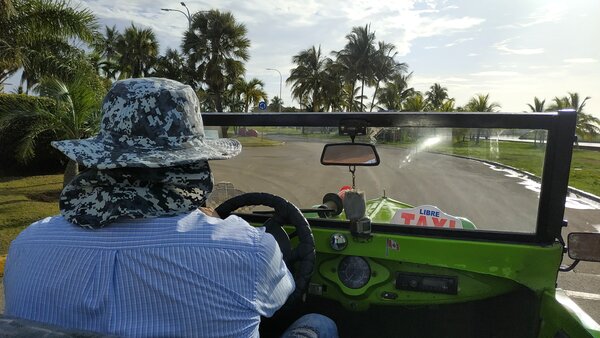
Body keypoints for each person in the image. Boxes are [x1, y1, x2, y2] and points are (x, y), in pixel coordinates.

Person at [3, 78, 338, 338]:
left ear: (100, 160)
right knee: (318, 322)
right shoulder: (249, 249)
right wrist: (218, 224)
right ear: (194, 166)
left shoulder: (27, 245)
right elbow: (281, 299)